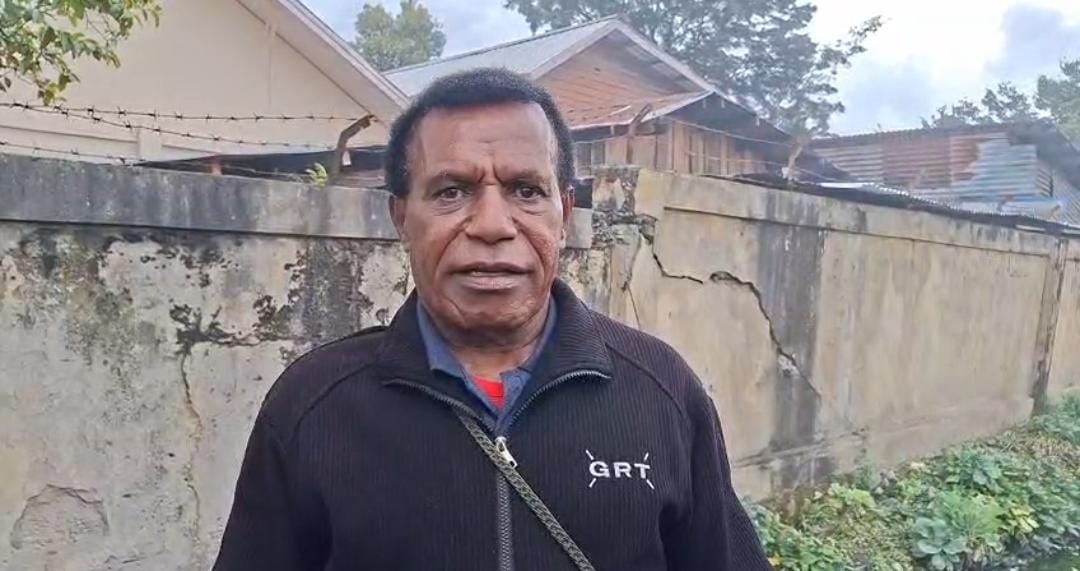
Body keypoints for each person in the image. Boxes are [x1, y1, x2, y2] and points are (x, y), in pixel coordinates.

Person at [213, 68, 771, 571]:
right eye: (451, 191)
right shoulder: (314, 407)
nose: (491, 225)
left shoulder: (661, 390)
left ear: (564, 215)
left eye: (526, 191)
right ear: (401, 218)